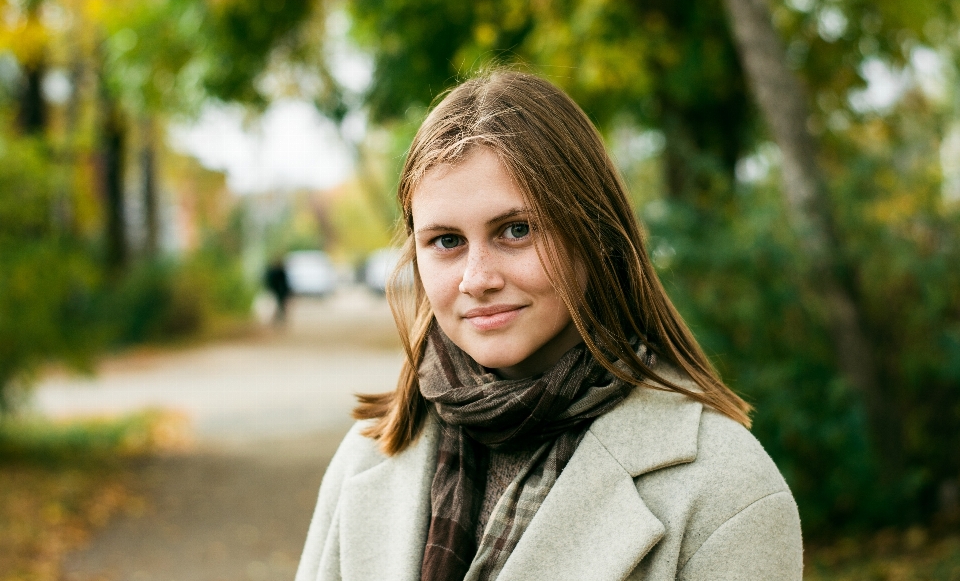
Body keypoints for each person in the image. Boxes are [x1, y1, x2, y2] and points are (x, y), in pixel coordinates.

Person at [295, 70, 803, 581]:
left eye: (516, 230)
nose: (477, 279)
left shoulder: (726, 490)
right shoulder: (366, 456)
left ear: (595, 232)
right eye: (447, 241)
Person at [264, 257, 291, 324]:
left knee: (279, 305)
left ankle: (278, 318)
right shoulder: (279, 272)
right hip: (279, 291)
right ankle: (278, 318)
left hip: (279, 291)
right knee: (279, 305)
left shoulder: (275, 272)